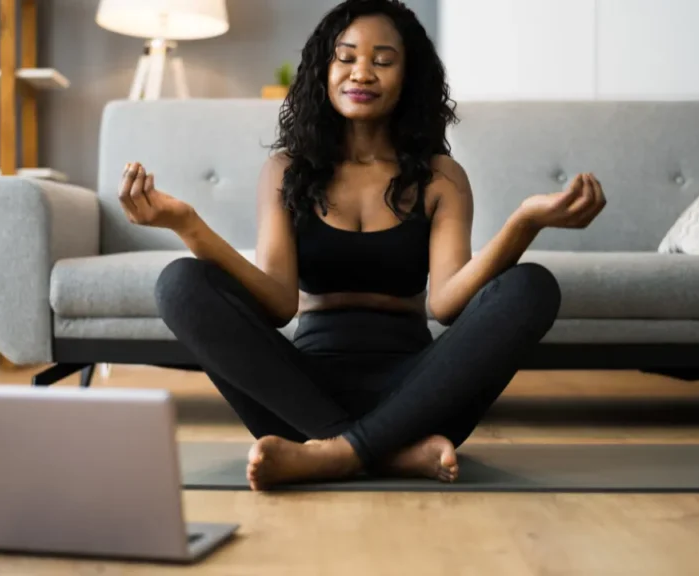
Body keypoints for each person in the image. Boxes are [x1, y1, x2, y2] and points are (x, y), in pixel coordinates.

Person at [117, 0, 606, 491]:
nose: (362, 73)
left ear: (408, 75)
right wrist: (187, 224)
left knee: (532, 286)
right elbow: (279, 304)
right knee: (180, 282)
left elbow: (447, 303)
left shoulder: (440, 177)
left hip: (419, 397)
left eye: (383, 61)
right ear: (323, 70)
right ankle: (379, 453)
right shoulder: (287, 171)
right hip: (299, 399)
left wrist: (524, 223)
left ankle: (339, 454)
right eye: (345, 57)